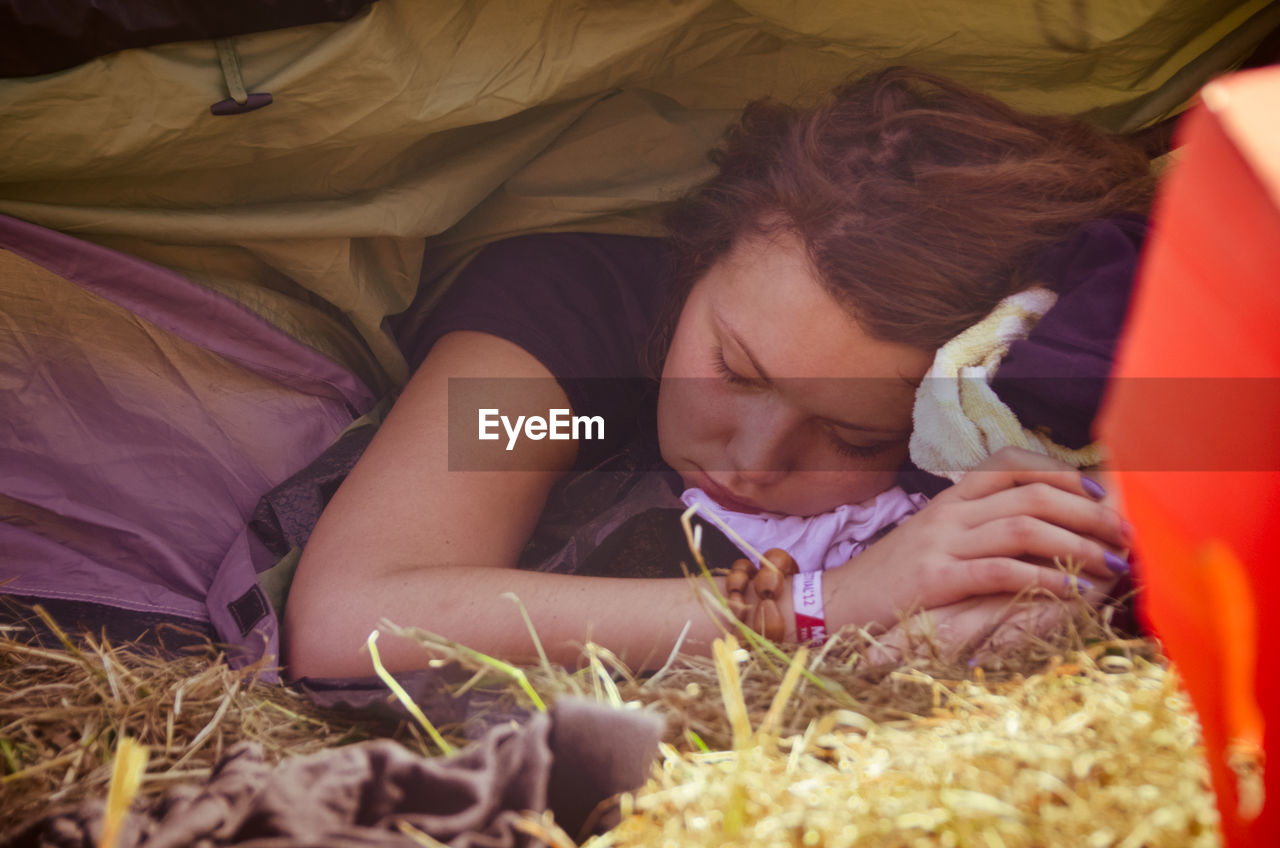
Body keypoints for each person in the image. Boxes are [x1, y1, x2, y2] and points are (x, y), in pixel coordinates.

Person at [284, 67, 1152, 679]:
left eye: (853, 434)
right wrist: (823, 606)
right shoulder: (573, 332)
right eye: (734, 371)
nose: (754, 461)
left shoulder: (983, 415)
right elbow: (348, 616)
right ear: (698, 256)